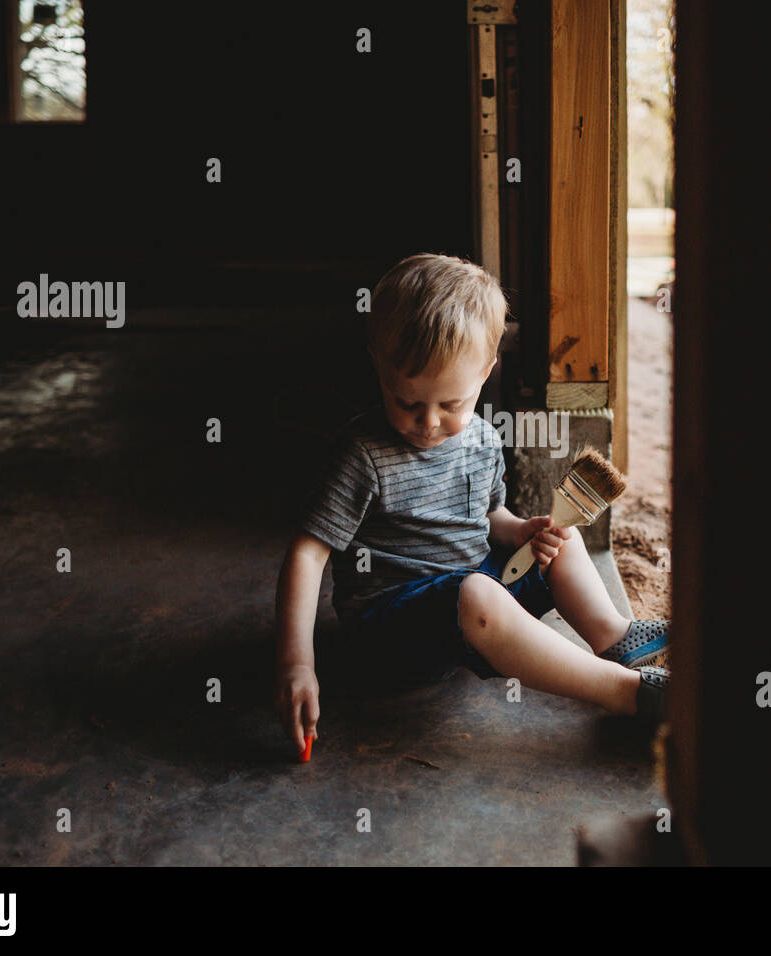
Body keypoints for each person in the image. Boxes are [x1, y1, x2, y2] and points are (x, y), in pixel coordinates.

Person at [273, 253, 670, 757]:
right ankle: (623, 692)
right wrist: (296, 664)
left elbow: (489, 520)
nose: (429, 422)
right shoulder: (363, 455)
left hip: (473, 595)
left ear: (486, 371)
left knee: (558, 543)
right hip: (394, 630)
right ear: (378, 365)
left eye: (451, 405)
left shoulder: (482, 439)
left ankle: (612, 635)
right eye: (408, 402)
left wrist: (524, 530)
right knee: (476, 594)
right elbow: (308, 553)